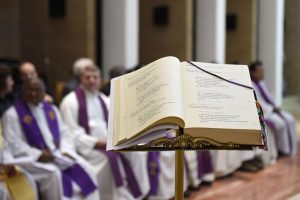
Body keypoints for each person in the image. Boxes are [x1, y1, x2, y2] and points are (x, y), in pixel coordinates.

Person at [60, 65, 150, 200]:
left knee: (135, 152)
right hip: (87, 148)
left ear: (100, 80)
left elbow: (118, 122)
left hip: (109, 143)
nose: (91, 80)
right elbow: (72, 134)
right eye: (87, 77)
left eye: (95, 77)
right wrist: (100, 142)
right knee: (109, 159)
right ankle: (112, 197)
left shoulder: (103, 99)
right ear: (81, 79)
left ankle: (139, 194)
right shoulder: (70, 102)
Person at [2, 78, 100, 200]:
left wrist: (65, 151)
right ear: (23, 92)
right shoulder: (12, 114)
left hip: (58, 155)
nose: (33, 93)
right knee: (55, 175)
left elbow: (65, 133)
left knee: (88, 169)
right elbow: (14, 143)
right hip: (32, 160)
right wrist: (38, 154)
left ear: (44, 93)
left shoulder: (52, 110)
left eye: (37, 90)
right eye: (29, 90)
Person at [250, 61, 297, 156]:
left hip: (272, 109)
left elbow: (270, 97)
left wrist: (275, 106)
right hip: (265, 112)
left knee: (290, 119)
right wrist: (272, 109)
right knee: (281, 124)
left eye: (262, 71)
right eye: (259, 71)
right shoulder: (251, 85)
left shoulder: (262, 83)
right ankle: (282, 149)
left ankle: (290, 147)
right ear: (252, 72)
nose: (262, 73)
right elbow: (258, 102)